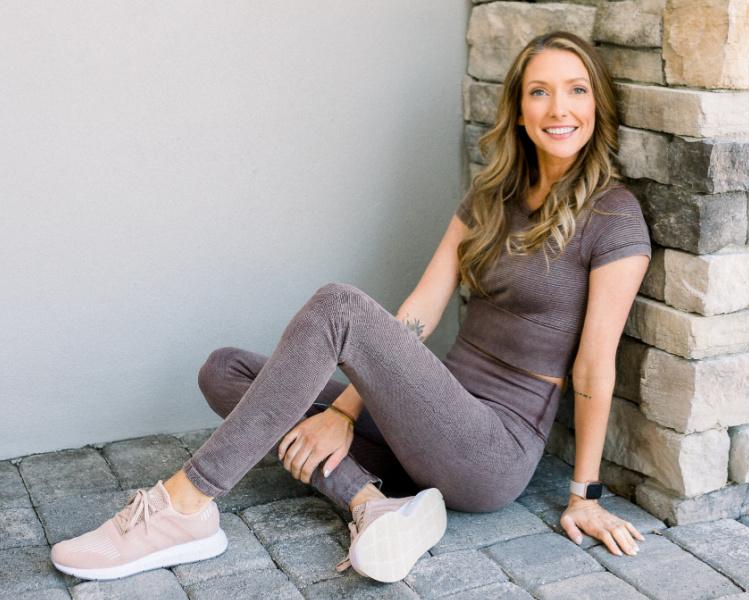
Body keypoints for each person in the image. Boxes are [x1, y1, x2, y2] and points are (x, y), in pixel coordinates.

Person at [49, 29, 650, 584]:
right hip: (418, 424)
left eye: (576, 90)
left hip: (489, 450)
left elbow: (594, 368)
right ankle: (372, 504)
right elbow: (421, 309)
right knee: (225, 369)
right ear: (519, 111)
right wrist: (344, 408)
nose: (558, 109)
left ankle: (184, 506)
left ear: (597, 105)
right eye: (539, 92)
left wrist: (585, 496)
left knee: (339, 307)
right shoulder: (493, 196)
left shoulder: (613, 216)